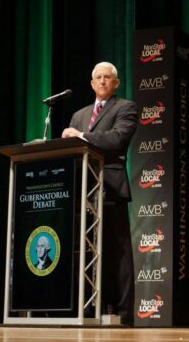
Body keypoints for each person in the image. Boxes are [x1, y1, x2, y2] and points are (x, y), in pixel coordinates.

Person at [62, 61, 138, 325]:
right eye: (98, 77)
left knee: (118, 254)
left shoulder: (125, 108)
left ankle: (125, 315)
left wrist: (81, 136)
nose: (103, 81)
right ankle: (87, 309)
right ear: (92, 83)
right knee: (85, 252)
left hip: (111, 187)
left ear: (115, 83)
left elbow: (117, 140)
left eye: (108, 77)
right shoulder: (79, 115)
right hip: (84, 189)